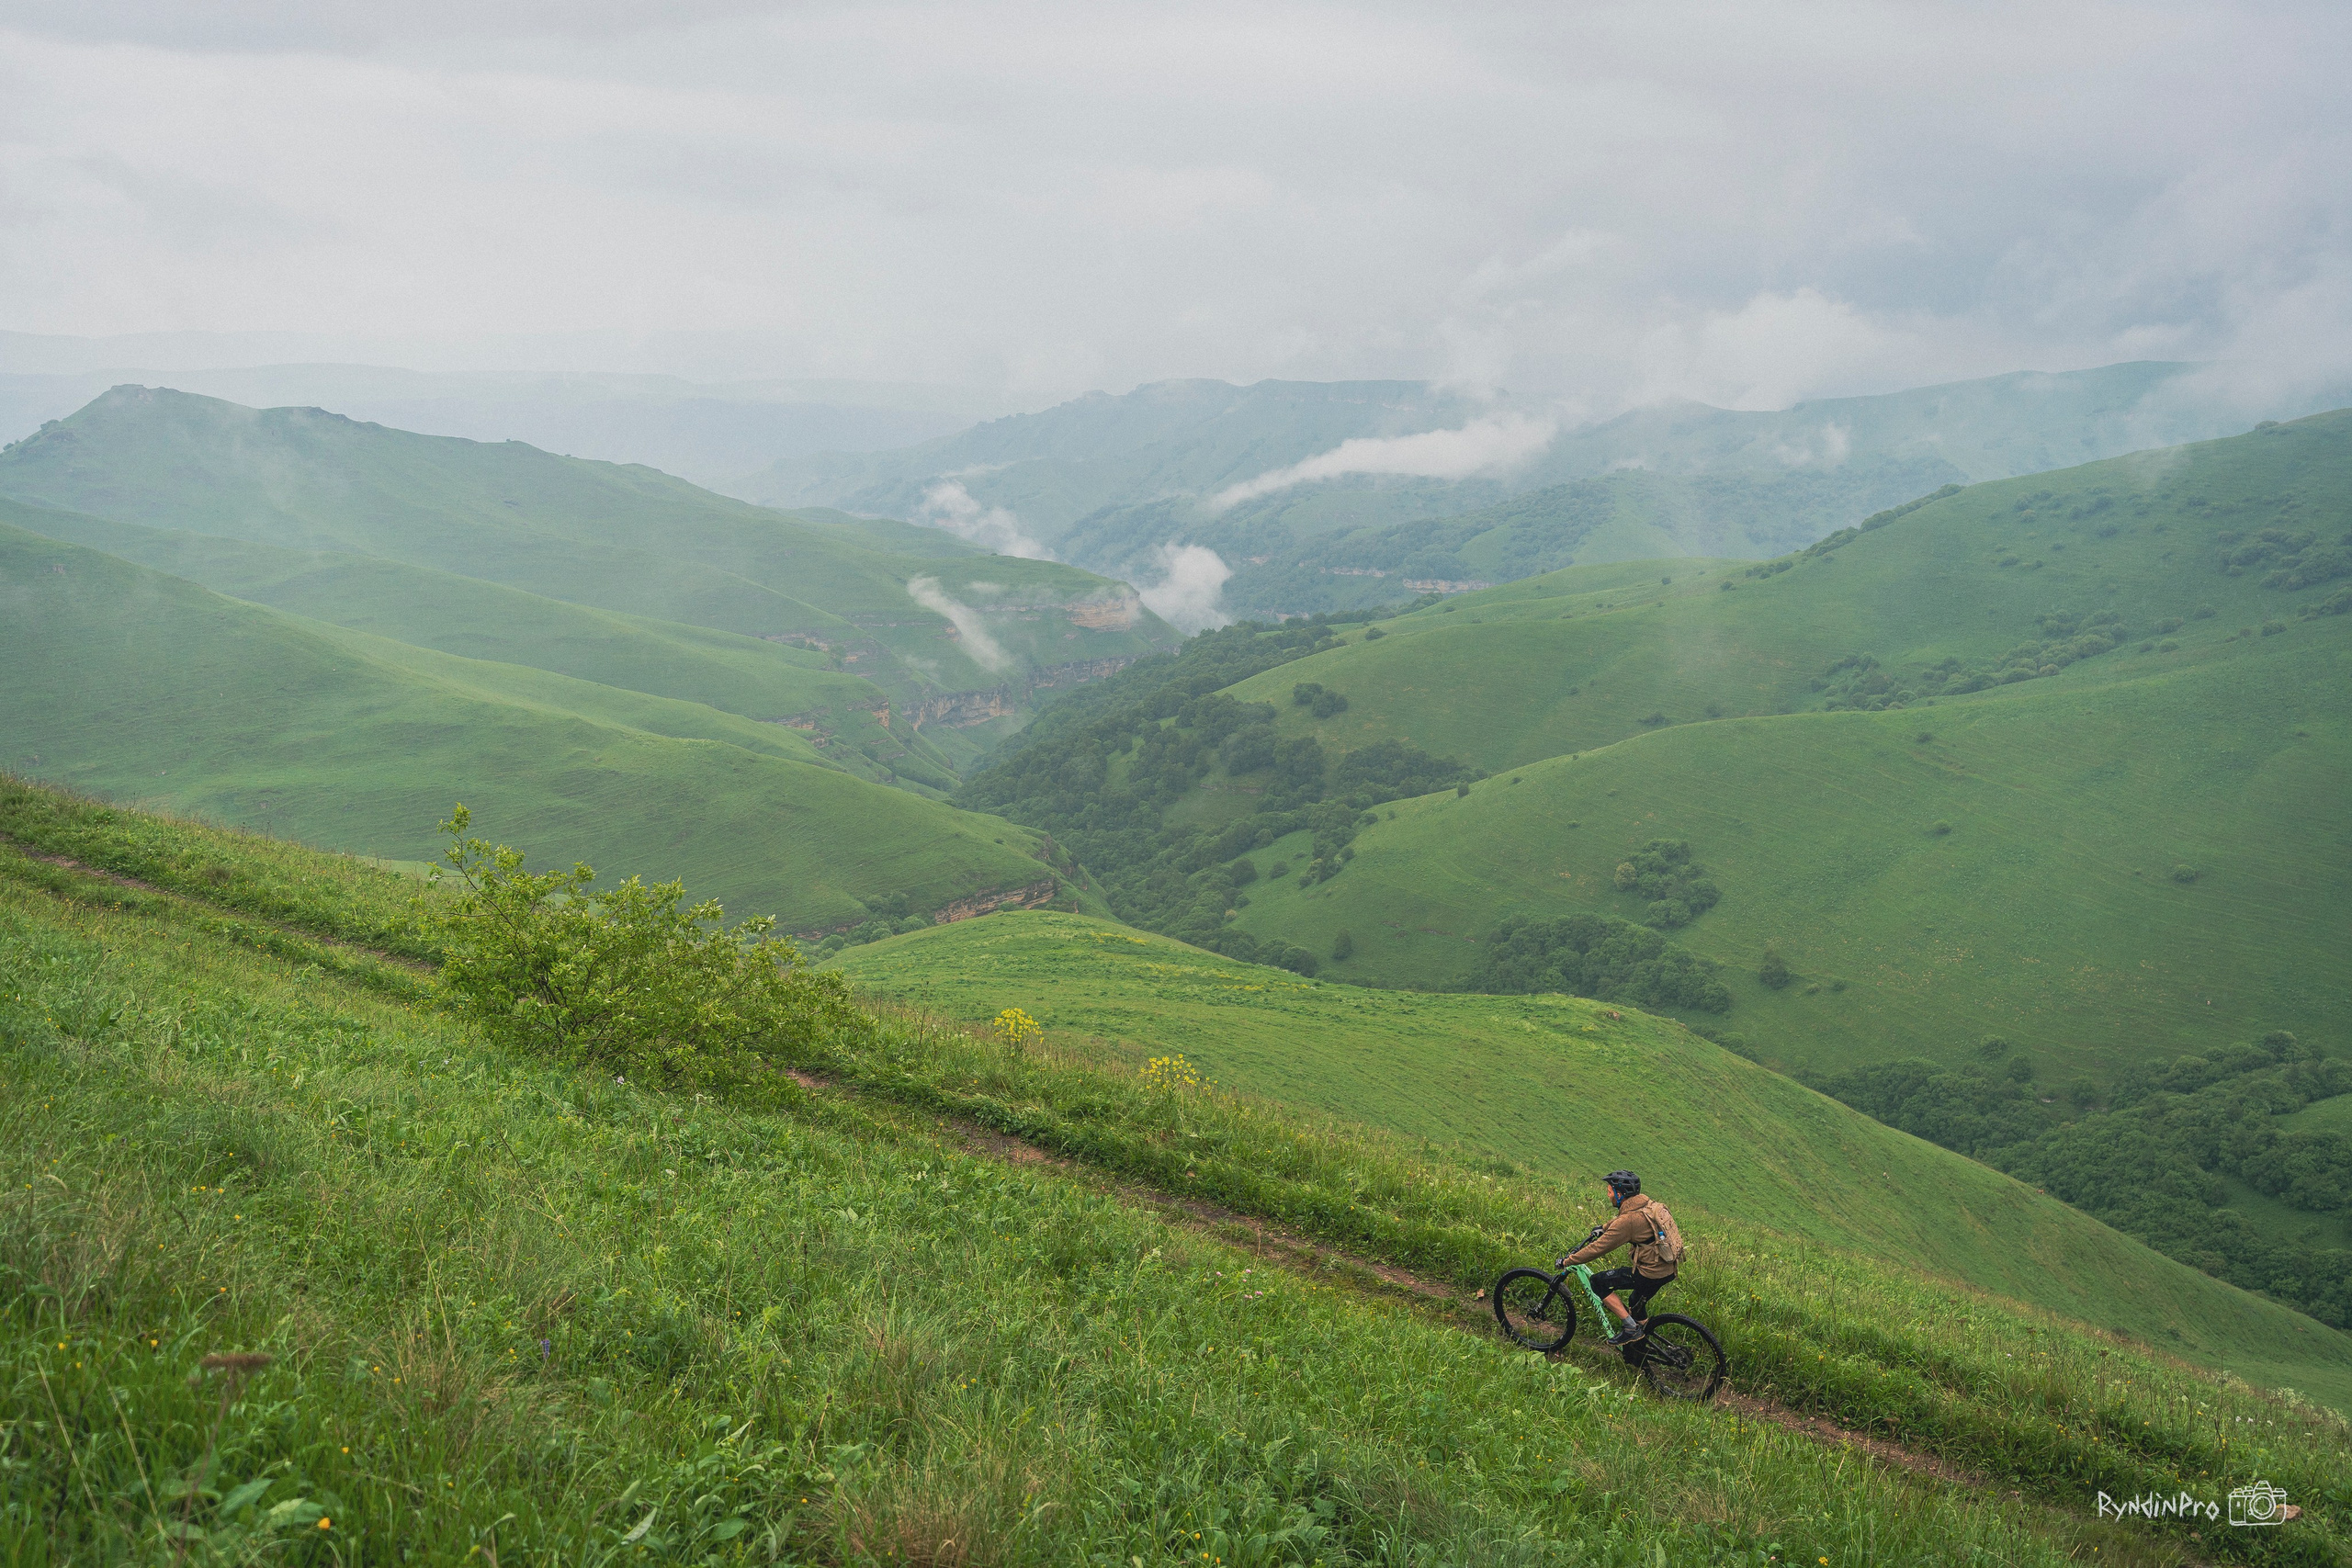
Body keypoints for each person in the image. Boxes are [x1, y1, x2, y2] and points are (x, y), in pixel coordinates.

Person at [1556, 1168, 1676, 1347]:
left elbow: (1598, 1248)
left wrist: (1569, 1260)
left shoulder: (1627, 1223)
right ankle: (1643, 1343)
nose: (1608, 1194)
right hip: (1668, 1268)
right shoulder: (1647, 1204)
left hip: (1650, 1272)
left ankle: (1631, 1329)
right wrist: (1604, 1227)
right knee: (1635, 1303)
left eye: (1610, 1191)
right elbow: (1626, 1218)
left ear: (1620, 1194)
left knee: (1598, 1281)